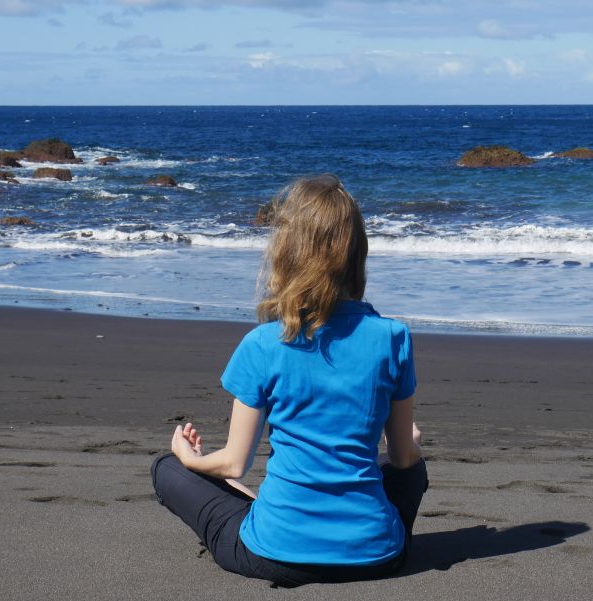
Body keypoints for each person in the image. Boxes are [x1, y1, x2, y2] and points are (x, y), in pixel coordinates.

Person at [151, 174, 428, 587]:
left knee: (165, 468)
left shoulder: (263, 343)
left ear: (288, 250)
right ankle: (301, 514)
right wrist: (411, 440)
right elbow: (404, 459)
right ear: (356, 252)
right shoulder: (392, 337)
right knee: (408, 469)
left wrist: (191, 460)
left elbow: (233, 463)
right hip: (377, 556)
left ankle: (271, 509)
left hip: (274, 555)